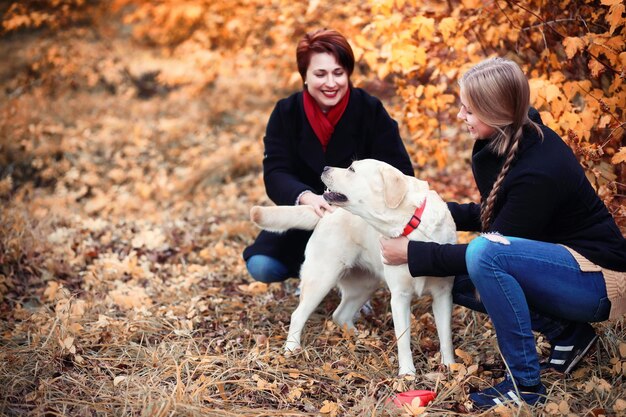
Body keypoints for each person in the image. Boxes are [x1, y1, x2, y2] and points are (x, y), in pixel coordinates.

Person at [379, 57, 626, 410]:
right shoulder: (507, 139)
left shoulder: (540, 170)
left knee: (482, 256)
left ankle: (524, 385)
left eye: (468, 110)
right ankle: (569, 335)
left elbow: (497, 245)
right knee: (453, 275)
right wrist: (433, 211)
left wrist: (412, 253)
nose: (460, 116)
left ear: (496, 113)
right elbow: (500, 217)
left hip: (599, 281)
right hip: (559, 265)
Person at [243, 28, 414, 283]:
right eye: (320, 74)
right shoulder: (285, 112)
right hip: (305, 214)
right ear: (305, 76)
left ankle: (354, 281)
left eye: (338, 73)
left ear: (348, 73)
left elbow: (400, 171)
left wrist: (358, 201)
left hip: (358, 222)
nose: (331, 83)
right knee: (262, 266)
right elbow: (276, 171)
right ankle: (309, 277)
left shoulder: (370, 110)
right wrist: (305, 197)